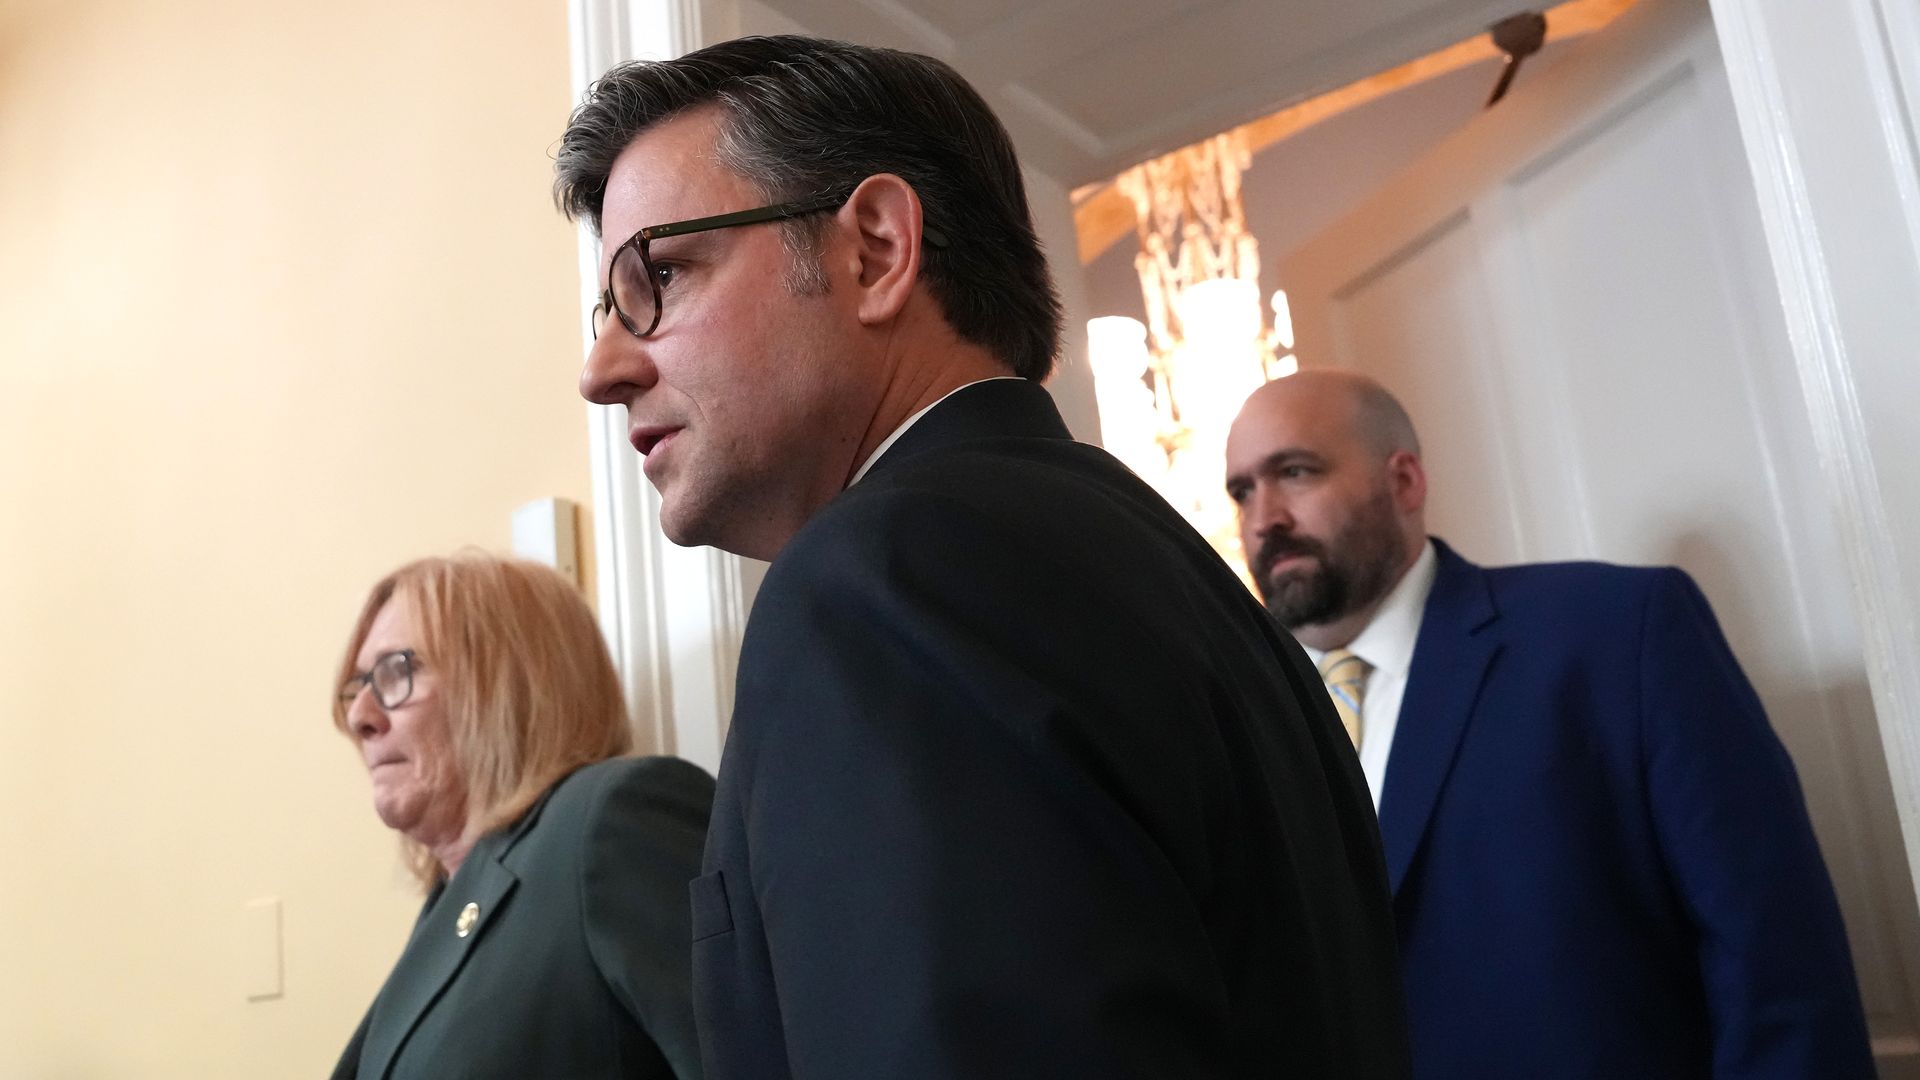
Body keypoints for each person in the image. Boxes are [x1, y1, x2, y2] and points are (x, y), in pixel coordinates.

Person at [555, 35, 1408, 1080]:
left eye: (663, 275)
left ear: (873, 249)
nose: (603, 367)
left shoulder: (880, 583)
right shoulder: (1175, 574)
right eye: (607, 304)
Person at [1224, 369, 1874, 1079]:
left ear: (1405, 481)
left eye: (1294, 472)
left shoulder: (1617, 633)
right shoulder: (1247, 725)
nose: (1265, 518)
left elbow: (1778, 963)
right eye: (1242, 491)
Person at [329, 553, 712, 1080]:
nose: (359, 717)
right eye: (358, 686)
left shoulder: (610, 819)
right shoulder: (447, 906)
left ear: (511, 679)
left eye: (397, 671)